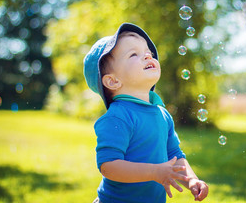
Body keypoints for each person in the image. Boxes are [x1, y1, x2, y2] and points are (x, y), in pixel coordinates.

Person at [84, 23, 209, 203]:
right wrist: (154, 172)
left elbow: (175, 155)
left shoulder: (162, 113)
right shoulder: (118, 116)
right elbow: (108, 166)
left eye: (148, 52)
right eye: (133, 54)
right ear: (112, 81)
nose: (147, 55)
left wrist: (192, 180)